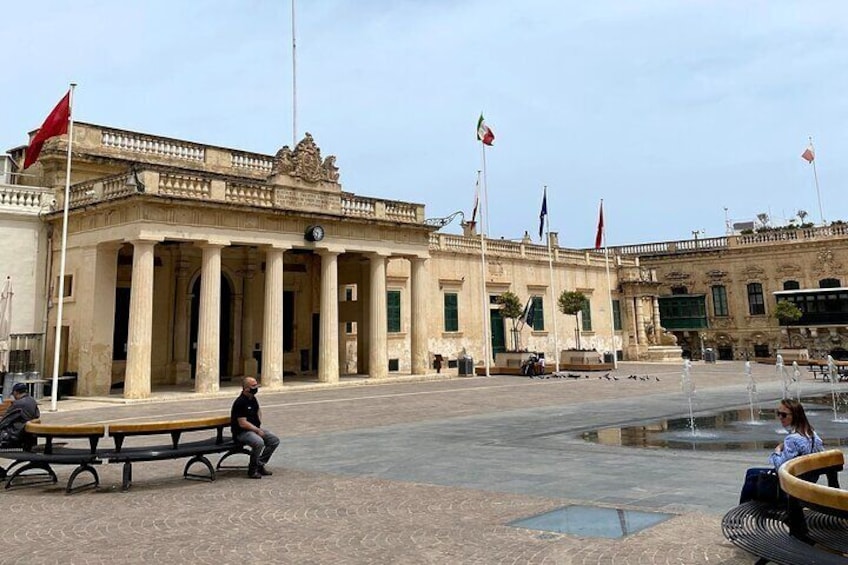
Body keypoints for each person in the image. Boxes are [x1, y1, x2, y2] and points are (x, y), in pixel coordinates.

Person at [739, 399, 824, 503]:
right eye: (778, 413)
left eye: (783, 415)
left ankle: (741, 513)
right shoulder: (813, 435)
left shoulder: (792, 439)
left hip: (791, 488)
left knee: (751, 476)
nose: (780, 417)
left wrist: (777, 450)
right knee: (752, 473)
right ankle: (745, 511)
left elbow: (780, 467)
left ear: (795, 416)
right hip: (805, 483)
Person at [230, 377, 280, 479]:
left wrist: (258, 424)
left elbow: (258, 411)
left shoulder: (252, 398)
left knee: (274, 440)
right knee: (259, 442)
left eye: (256, 385)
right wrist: (257, 430)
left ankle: (260, 464)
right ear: (246, 388)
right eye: (253, 386)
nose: (256, 387)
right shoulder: (240, 402)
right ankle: (252, 469)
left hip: (254, 429)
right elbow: (242, 423)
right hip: (242, 432)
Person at [0, 382, 41, 448]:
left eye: (13, 394)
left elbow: (5, 420)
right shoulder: (32, 400)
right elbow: (37, 415)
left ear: (16, 392)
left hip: (17, 434)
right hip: (29, 434)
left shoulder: (18, 404)